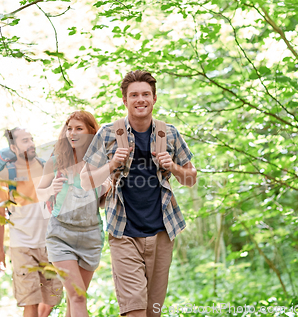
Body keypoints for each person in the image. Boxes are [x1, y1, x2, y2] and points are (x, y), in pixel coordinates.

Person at [80, 70, 197, 317]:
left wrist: (172, 166)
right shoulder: (109, 134)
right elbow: (85, 180)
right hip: (124, 233)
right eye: (134, 95)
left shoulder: (170, 133)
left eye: (146, 94)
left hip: (163, 232)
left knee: (153, 311)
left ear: (154, 98)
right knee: (135, 310)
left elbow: (190, 178)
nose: (140, 99)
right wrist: (111, 165)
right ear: (125, 101)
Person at [37, 111, 109, 317]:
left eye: (79, 128)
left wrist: (106, 187)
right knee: (78, 297)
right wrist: (51, 189)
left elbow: (103, 203)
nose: (72, 133)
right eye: (69, 128)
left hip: (91, 237)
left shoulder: (101, 162)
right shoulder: (56, 160)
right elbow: (40, 193)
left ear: (91, 133)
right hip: (61, 234)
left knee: (73, 301)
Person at [0, 128, 63, 317]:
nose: (31, 143)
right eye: (25, 141)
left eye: (31, 139)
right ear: (14, 147)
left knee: (52, 299)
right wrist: (0, 251)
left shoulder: (45, 167)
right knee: (30, 302)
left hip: (48, 243)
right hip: (21, 245)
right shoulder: (6, 175)